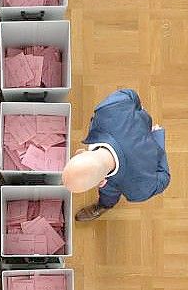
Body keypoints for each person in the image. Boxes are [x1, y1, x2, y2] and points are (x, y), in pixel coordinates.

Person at [62, 89, 170, 221]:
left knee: (109, 196)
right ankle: (104, 205)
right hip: (141, 130)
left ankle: (104, 205)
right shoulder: (106, 111)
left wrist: (158, 142)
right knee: (108, 197)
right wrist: (139, 109)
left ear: (101, 183)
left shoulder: (138, 186)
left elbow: (164, 178)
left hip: (148, 148)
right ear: (79, 152)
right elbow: (129, 94)